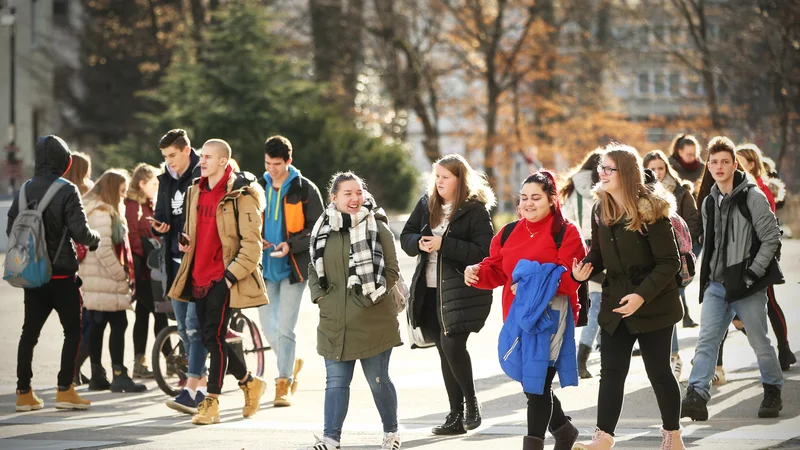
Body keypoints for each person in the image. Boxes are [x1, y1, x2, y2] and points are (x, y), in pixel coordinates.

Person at [571, 144, 684, 450]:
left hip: (654, 301)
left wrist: (641, 297)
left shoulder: (652, 208)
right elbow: (599, 251)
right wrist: (587, 266)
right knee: (611, 372)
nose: (601, 173)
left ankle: (673, 438)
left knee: (659, 372)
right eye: (601, 168)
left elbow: (669, 262)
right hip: (616, 301)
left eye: (609, 169)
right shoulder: (601, 207)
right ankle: (603, 438)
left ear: (626, 172)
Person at [465, 170, 586, 450]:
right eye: (524, 198)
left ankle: (535, 445)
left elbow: (567, 280)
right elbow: (496, 270)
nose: (528, 203)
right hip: (516, 319)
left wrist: (532, 284)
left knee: (536, 385)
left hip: (552, 319)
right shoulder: (508, 233)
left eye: (536, 197)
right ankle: (564, 431)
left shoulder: (566, 233)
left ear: (552, 200)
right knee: (532, 383)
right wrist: (476, 271)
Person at [681, 137, 784, 422]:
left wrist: (753, 273)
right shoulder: (710, 200)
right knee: (706, 341)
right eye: (713, 162)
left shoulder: (753, 196)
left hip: (747, 285)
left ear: (735, 164)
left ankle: (773, 390)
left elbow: (771, 238)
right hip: (716, 284)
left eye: (725, 161)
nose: (718, 167)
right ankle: (697, 395)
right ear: (709, 166)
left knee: (760, 342)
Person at [167, 139, 268, 425]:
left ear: (224, 161)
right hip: (196, 276)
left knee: (213, 337)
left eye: (209, 157)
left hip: (222, 279)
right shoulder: (195, 191)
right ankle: (250, 382)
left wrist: (228, 278)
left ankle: (210, 403)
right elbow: (191, 231)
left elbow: (252, 246)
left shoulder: (242, 196)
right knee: (213, 338)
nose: (202, 161)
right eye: (203, 157)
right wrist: (186, 241)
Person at [301, 172, 402, 450]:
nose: (355, 198)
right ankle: (331, 438)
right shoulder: (323, 227)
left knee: (378, 381)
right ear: (333, 198)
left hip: (373, 318)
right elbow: (313, 265)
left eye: (358, 192)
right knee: (335, 382)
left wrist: (366, 300)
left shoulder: (377, 225)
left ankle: (391, 433)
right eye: (348, 193)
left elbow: (391, 271)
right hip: (334, 319)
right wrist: (319, 296)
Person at [401, 154, 495, 436]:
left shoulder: (475, 210)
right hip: (428, 291)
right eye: (436, 176)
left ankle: (471, 403)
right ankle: (455, 416)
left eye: (445, 177)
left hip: (461, 290)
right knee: (443, 350)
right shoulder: (426, 203)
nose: (438, 182)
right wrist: (419, 242)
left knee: (452, 345)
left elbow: (484, 251)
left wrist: (444, 244)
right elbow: (406, 236)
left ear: (460, 180)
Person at [10, 136, 101, 412]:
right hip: (62, 275)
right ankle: (65, 390)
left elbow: (10, 231)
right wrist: (95, 238)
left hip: (33, 275)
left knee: (29, 333)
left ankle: (24, 392)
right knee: (73, 330)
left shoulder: (23, 189)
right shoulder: (67, 189)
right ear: (65, 161)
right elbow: (80, 233)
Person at [257, 135, 324, 407]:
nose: (271, 169)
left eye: (277, 163)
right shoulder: (257, 187)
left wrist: (291, 245)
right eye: (267, 163)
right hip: (264, 268)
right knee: (268, 328)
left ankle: (283, 382)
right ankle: (290, 358)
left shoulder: (304, 188)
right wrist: (255, 237)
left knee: (285, 328)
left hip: (293, 268)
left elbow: (319, 229)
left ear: (289, 161)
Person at [152, 129, 209, 414]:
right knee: (186, 332)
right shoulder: (164, 180)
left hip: (197, 265)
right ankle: (202, 388)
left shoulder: (203, 173)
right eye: (165, 157)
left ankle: (194, 391)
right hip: (173, 264)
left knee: (194, 328)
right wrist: (157, 226)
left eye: (172, 155)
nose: (168, 162)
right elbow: (161, 216)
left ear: (186, 150)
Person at [80, 169, 147, 393]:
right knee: (119, 324)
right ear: (110, 189)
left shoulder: (93, 209)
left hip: (96, 279)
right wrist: (121, 275)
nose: (123, 196)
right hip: (105, 278)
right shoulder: (102, 212)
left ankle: (98, 375)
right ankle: (119, 375)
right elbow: (103, 249)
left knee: (98, 326)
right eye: (120, 191)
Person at [734, 144, 794, 370]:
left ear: (751, 164)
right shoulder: (740, 186)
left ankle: (783, 349)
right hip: (743, 254)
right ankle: (769, 347)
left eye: (739, 161)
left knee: (770, 303)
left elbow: (764, 229)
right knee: (749, 306)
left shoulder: (759, 189)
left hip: (760, 254)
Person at [560, 149, 603, 379]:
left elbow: (567, 224)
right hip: (601, 249)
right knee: (598, 305)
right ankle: (581, 359)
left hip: (580, 252)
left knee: (596, 304)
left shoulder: (572, 191)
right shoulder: (605, 189)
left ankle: (592, 355)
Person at [125, 163, 169, 378]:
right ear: (141, 184)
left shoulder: (150, 203)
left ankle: (140, 363)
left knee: (143, 315)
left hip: (152, 270)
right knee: (159, 312)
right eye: (153, 183)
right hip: (143, 269)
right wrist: (151, 252)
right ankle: (171, 360)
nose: (156, 187)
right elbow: (132, 237)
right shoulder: (132, 205)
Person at [62, 151, 94, 386]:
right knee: (91, 322)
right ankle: (76, 369)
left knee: (80, 322)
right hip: (89, 256)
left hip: (69, 260)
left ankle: (78, 369)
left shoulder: (61, 189)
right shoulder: (86, 190)